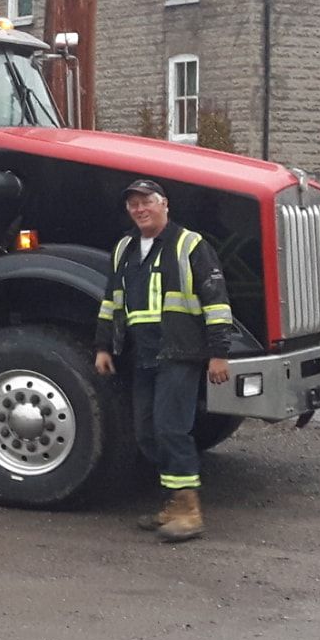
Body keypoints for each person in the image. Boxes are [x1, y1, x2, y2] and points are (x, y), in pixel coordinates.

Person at [94, 179, 235, 542]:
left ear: (164, 205)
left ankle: (189, 510)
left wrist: (219, 353)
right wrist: (104, 346)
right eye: (133, 204)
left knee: (172, 429)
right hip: (143, 355)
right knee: (146, 432)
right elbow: (111, 300)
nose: (140, 209)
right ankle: (173, 503)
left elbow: (216, 301)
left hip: (180, 353)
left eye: (147, 202)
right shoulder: (125, 248)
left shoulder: (189, 244)